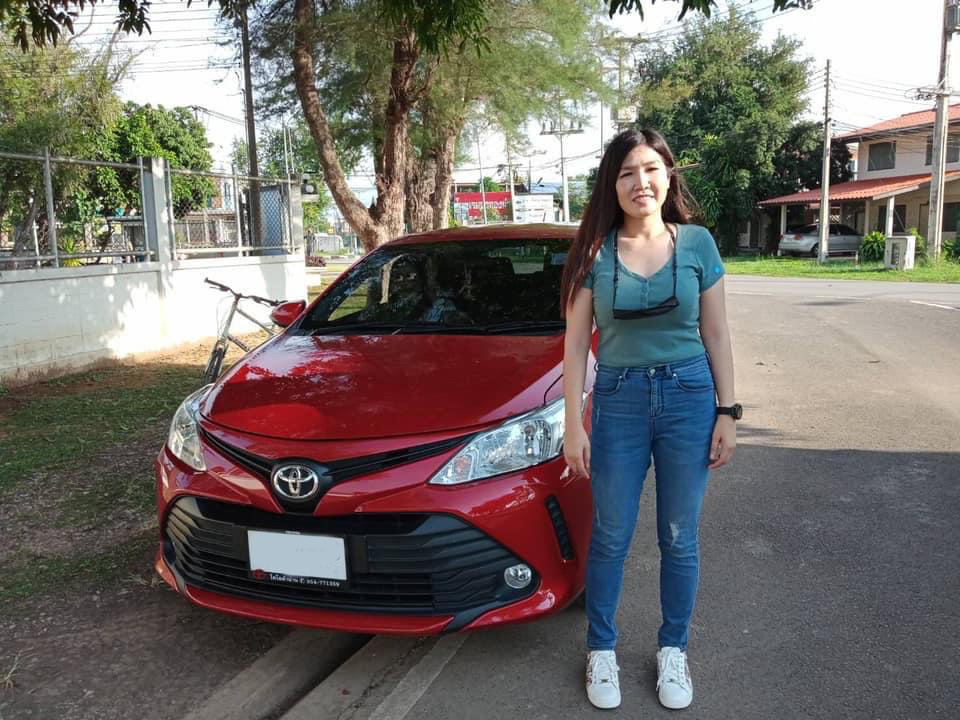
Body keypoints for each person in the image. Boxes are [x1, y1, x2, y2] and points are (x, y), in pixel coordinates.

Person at [560, 128, 739, 711]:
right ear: (611, 185)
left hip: (689, 396)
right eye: (627, 173)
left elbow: (716, 332)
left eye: (651, 169)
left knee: (680, 536)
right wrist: (573, 423)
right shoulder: (593, 251)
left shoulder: (697, 244)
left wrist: (728, 411)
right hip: (619, 400)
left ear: (668, 175)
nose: (641, 182)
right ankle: (601, 650)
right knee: (611, 533)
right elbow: (575, 345)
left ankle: (673, 649)